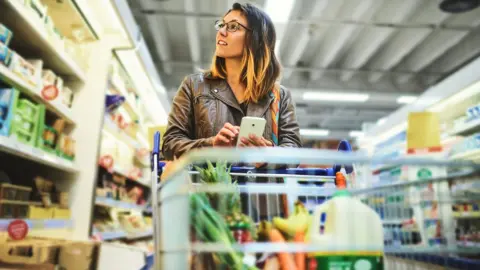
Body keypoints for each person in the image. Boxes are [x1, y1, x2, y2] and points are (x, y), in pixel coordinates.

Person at [161, 2, 302, 161]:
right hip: (209, 186)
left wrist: (267, 154)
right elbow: (169, 146)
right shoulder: (194, 86)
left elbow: (294, 152)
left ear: (256, 39)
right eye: (221, 25)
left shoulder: (279, 96)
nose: (221, 31)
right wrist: (211, 145)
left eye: (233, 27)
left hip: (260, 186)